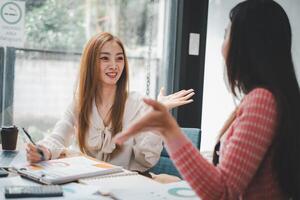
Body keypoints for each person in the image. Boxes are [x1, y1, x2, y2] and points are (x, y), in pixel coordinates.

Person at [114, 0, 300, 199]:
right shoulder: (268, 98)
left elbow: (222, 191)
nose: (222, 47)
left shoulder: (262, 101)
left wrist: (169, 130)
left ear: (247, 44)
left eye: (227, 34)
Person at [26, 32, 195, 172]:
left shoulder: (138, 103)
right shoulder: (80, 103)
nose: (114, 65)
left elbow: (146, 161)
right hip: (85, 182)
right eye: (105, 58)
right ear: (91, 64)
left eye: (119, 59)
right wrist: (42, 152)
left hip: (123, 186)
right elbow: (58, 136)